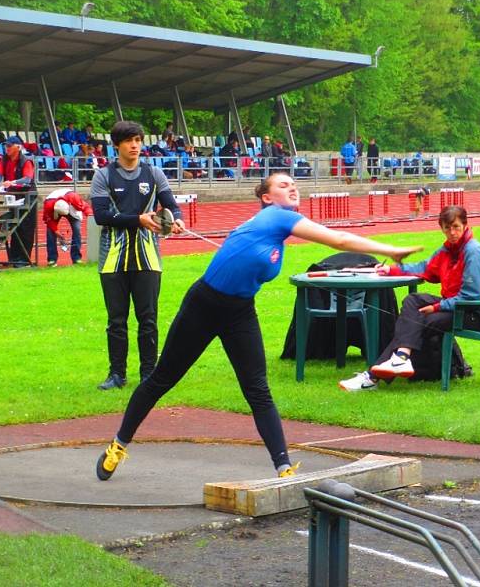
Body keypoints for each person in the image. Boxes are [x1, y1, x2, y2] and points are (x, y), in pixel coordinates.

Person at [94, 172, 422, 480]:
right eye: (283, 185)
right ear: (267, 198)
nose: (292, 188)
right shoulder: (278, 216)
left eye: (294, 184)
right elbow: (336, 239)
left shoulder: (272, 227)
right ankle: (118, 445)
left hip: (239, 312)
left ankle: (283, 468)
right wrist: (390, 250)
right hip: (204, 305)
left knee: (258, 390)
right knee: (161, 379)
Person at [339, 205, 480, 392]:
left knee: (418, 322)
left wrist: (438, 307)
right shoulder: (448, 250)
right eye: (447, 228)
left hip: (476, 312)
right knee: (413, 300)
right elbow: (425, 267)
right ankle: (400, 358)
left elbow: (472, 296)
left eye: (456, 227)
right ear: (442, 228)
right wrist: (391, 270)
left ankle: (373, 377)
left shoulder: (473, 251)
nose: (452, 232)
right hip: (457, 305)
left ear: (465, 225)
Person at [90, 120, 186, 390]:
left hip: (148, 258)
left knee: (148, 318)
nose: (135, 145)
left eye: (138, 140)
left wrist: (176, 220)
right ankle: (117, 375)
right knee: (116, 321)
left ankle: (149, 374)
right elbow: (101, 216)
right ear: (117, 145)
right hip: (113, 259)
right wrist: (139, 220)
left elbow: (172, 206)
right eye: (129, 140)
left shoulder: (154, 173)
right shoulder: (104, 175)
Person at [0, 136, 37, 267]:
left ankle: (24, 259)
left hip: (27, 198)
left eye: (9, 146)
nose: (6, 148)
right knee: (15, 229)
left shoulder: (26, 161)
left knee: (26, 228)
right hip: (13, 198)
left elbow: (27, 179)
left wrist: (11, 182)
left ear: (18, 147)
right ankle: (14, 258)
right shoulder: (5, 160)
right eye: (6, 146)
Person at [42, 188, 92, 267]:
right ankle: (52, 259)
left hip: (71, 207)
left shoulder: (74, 198)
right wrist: (56, 231)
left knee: (77, 230)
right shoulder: (48, 205)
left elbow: (85, 207)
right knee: (50, 231)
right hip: (54, 207)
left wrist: (90, 217)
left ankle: (76, 258)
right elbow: (49, 220)